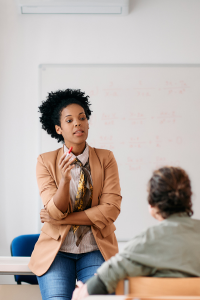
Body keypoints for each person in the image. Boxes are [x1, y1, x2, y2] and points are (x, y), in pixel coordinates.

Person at [28, 89, 122, 300]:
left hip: (95, 247)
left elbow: (110, 210)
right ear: (58, 128)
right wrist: (65, 181)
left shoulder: (106, 158)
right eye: (69, 120)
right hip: (57, 251)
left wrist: (62, 219)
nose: (78, 123)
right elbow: (54, 210)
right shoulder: (45, 161)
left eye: (82, 118)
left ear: (88, 124)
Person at [71, 166, 200, 299]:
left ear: (152, 203)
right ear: (188, 199)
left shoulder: (147, 241)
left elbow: (110, 273)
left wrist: (83, 291)